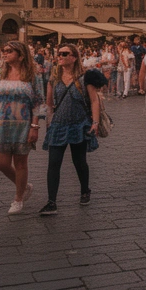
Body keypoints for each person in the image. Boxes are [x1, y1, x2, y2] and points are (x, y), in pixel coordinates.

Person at [39, 44, 105, 215]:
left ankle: (85, 190)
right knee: (53, 163)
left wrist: (95, 123)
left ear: (74, 57)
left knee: (79, 161)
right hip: (59, 125)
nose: (60, 56)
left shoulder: (85, 78)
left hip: (79, 124)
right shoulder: (53, 78)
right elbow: (49, 104)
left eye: (64, 54)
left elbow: (94, 101)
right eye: (59, 53)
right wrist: (48, 123)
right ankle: (51, 202)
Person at [0, 41, 43, 215]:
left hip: (24, 124)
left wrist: (35, 126)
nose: (4, 53)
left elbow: (38, 103)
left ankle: (18, 198)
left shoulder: (33, 75)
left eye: (9, 51)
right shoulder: (0, 74)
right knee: (2, 164)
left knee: (21, 163)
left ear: (21, 55)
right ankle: (24, 186)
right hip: (1, 124)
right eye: (4, 50)